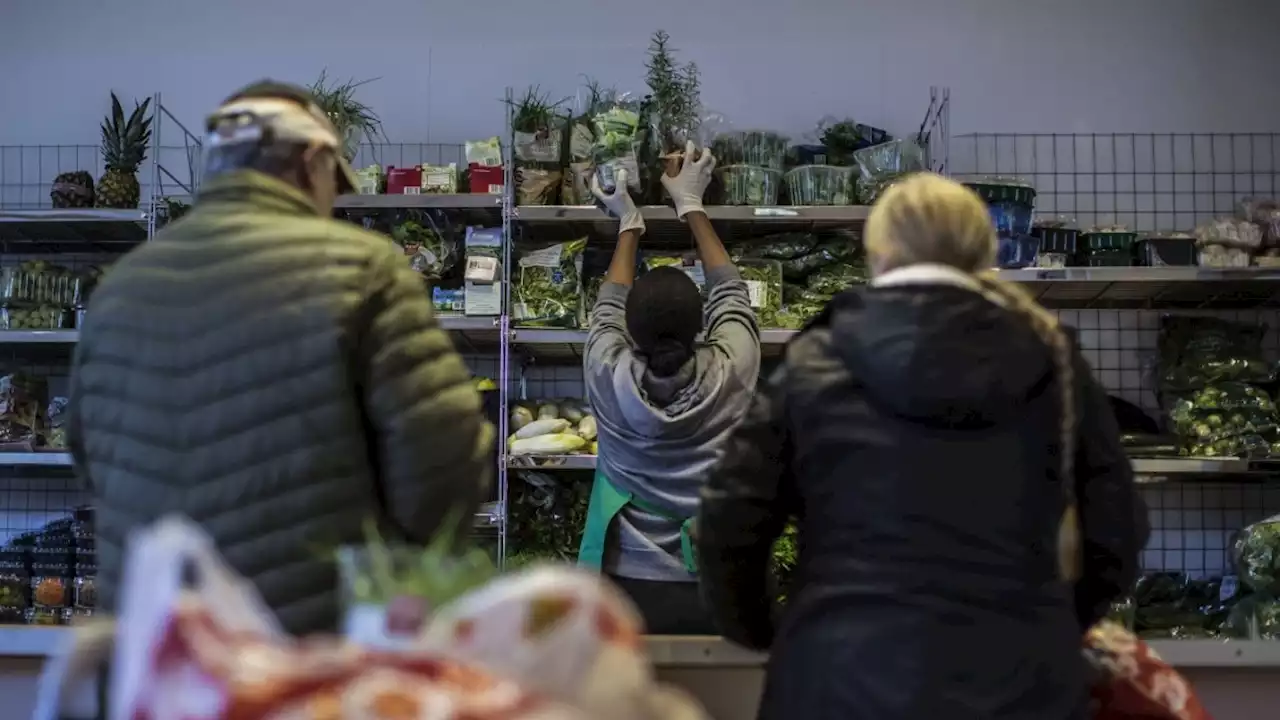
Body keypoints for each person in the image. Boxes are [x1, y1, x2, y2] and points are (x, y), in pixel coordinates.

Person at [696, 173, 1149, 719]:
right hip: (1020, 684)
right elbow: (1117, 527)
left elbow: (729, 514)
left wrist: (775, 632)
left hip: (839, 682)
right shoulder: (1051, 357)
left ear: (878, 251)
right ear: (985, 251)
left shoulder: (816, 358)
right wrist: (1047, 622)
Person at [67, 80, 494, 637]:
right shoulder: (363, 271)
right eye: (334, 184)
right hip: (302, 655)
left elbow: (88, 457)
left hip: (154, 657)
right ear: (314, 160)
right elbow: (443, 469)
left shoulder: (120, 288)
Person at [578, 142, 762, 634]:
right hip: (714, 582)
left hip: (625, 587)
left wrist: (629, 227)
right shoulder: (732, 370)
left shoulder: (606, 372)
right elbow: (732, 293)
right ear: (702, 325)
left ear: (630, 335)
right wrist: (693, 207)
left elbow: (607, 307)